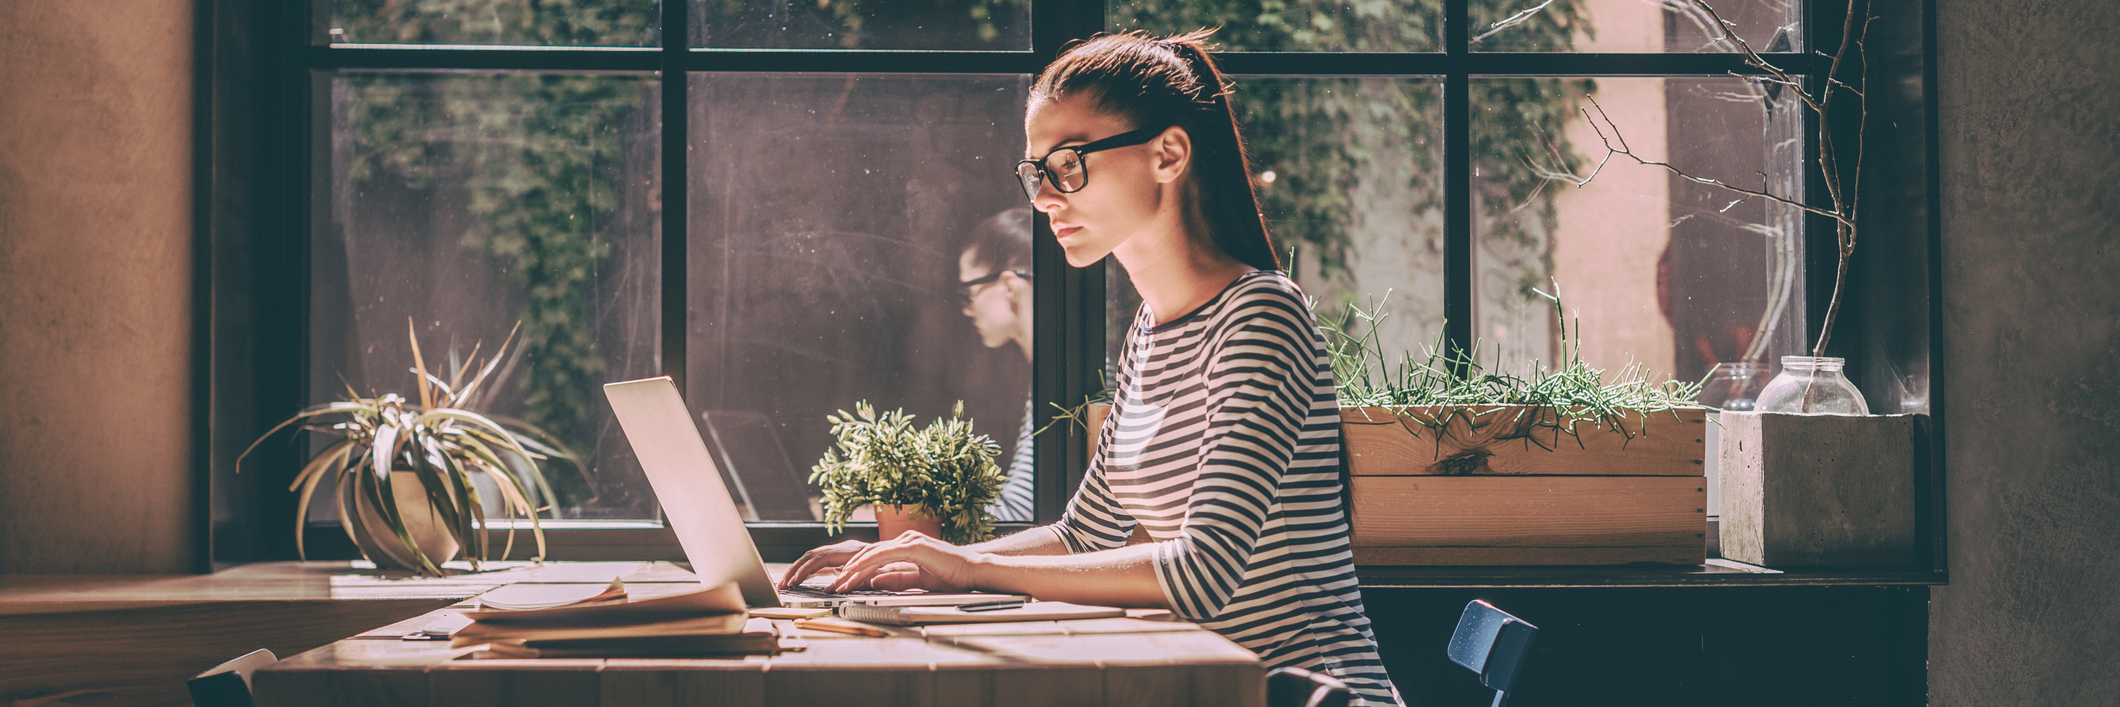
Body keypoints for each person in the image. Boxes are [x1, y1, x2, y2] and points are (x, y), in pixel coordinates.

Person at [781, 29, 1400, 705]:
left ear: (1168, 154)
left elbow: (1202, 570)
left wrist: (968, 567)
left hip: (1310, 694)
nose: (1045, 196)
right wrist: (915, 558)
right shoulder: (1149, 332)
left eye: (1069, 163)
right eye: (1035, 171)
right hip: (1209, 686)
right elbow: (1084, 532)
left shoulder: (1261, 317)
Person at [956, 208, 1038, 523]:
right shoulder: (1048, 374)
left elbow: (1021, 515)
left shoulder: (1058, 382)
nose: (967, 310)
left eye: (969, 293)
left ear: (1007, 285)